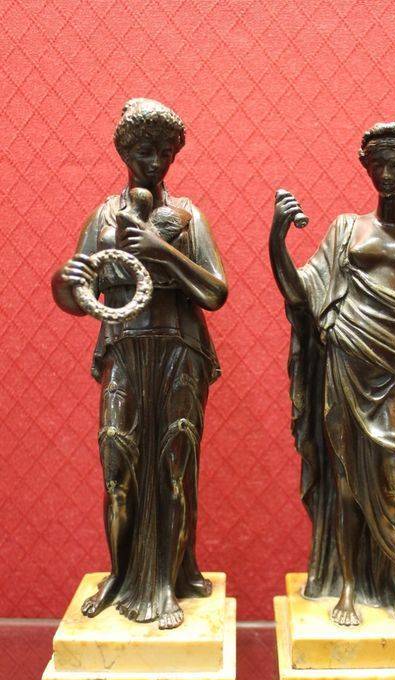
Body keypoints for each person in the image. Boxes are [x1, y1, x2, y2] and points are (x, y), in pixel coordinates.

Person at [269, 122, 395, 625]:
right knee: (347, 481)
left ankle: (391, 578)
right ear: (365, 166)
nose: (387, 174)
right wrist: (277, 240)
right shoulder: (344, 231)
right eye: (377, 164)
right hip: (346, 363)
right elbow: (300, 294)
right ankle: (350, 586)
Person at [51, 98, 227, 629]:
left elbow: (216, 292)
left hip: (178, 349)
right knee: (118, 470)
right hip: (124, 350)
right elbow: (77, 296)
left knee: (175, 468)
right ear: (125, 152)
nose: (154, 162)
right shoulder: (103, 218)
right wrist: (64, 281)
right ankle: (122, 573)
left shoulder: (188, 217)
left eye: (164, 152)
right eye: (144, 151)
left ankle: (169, 581)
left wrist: (160, 249)